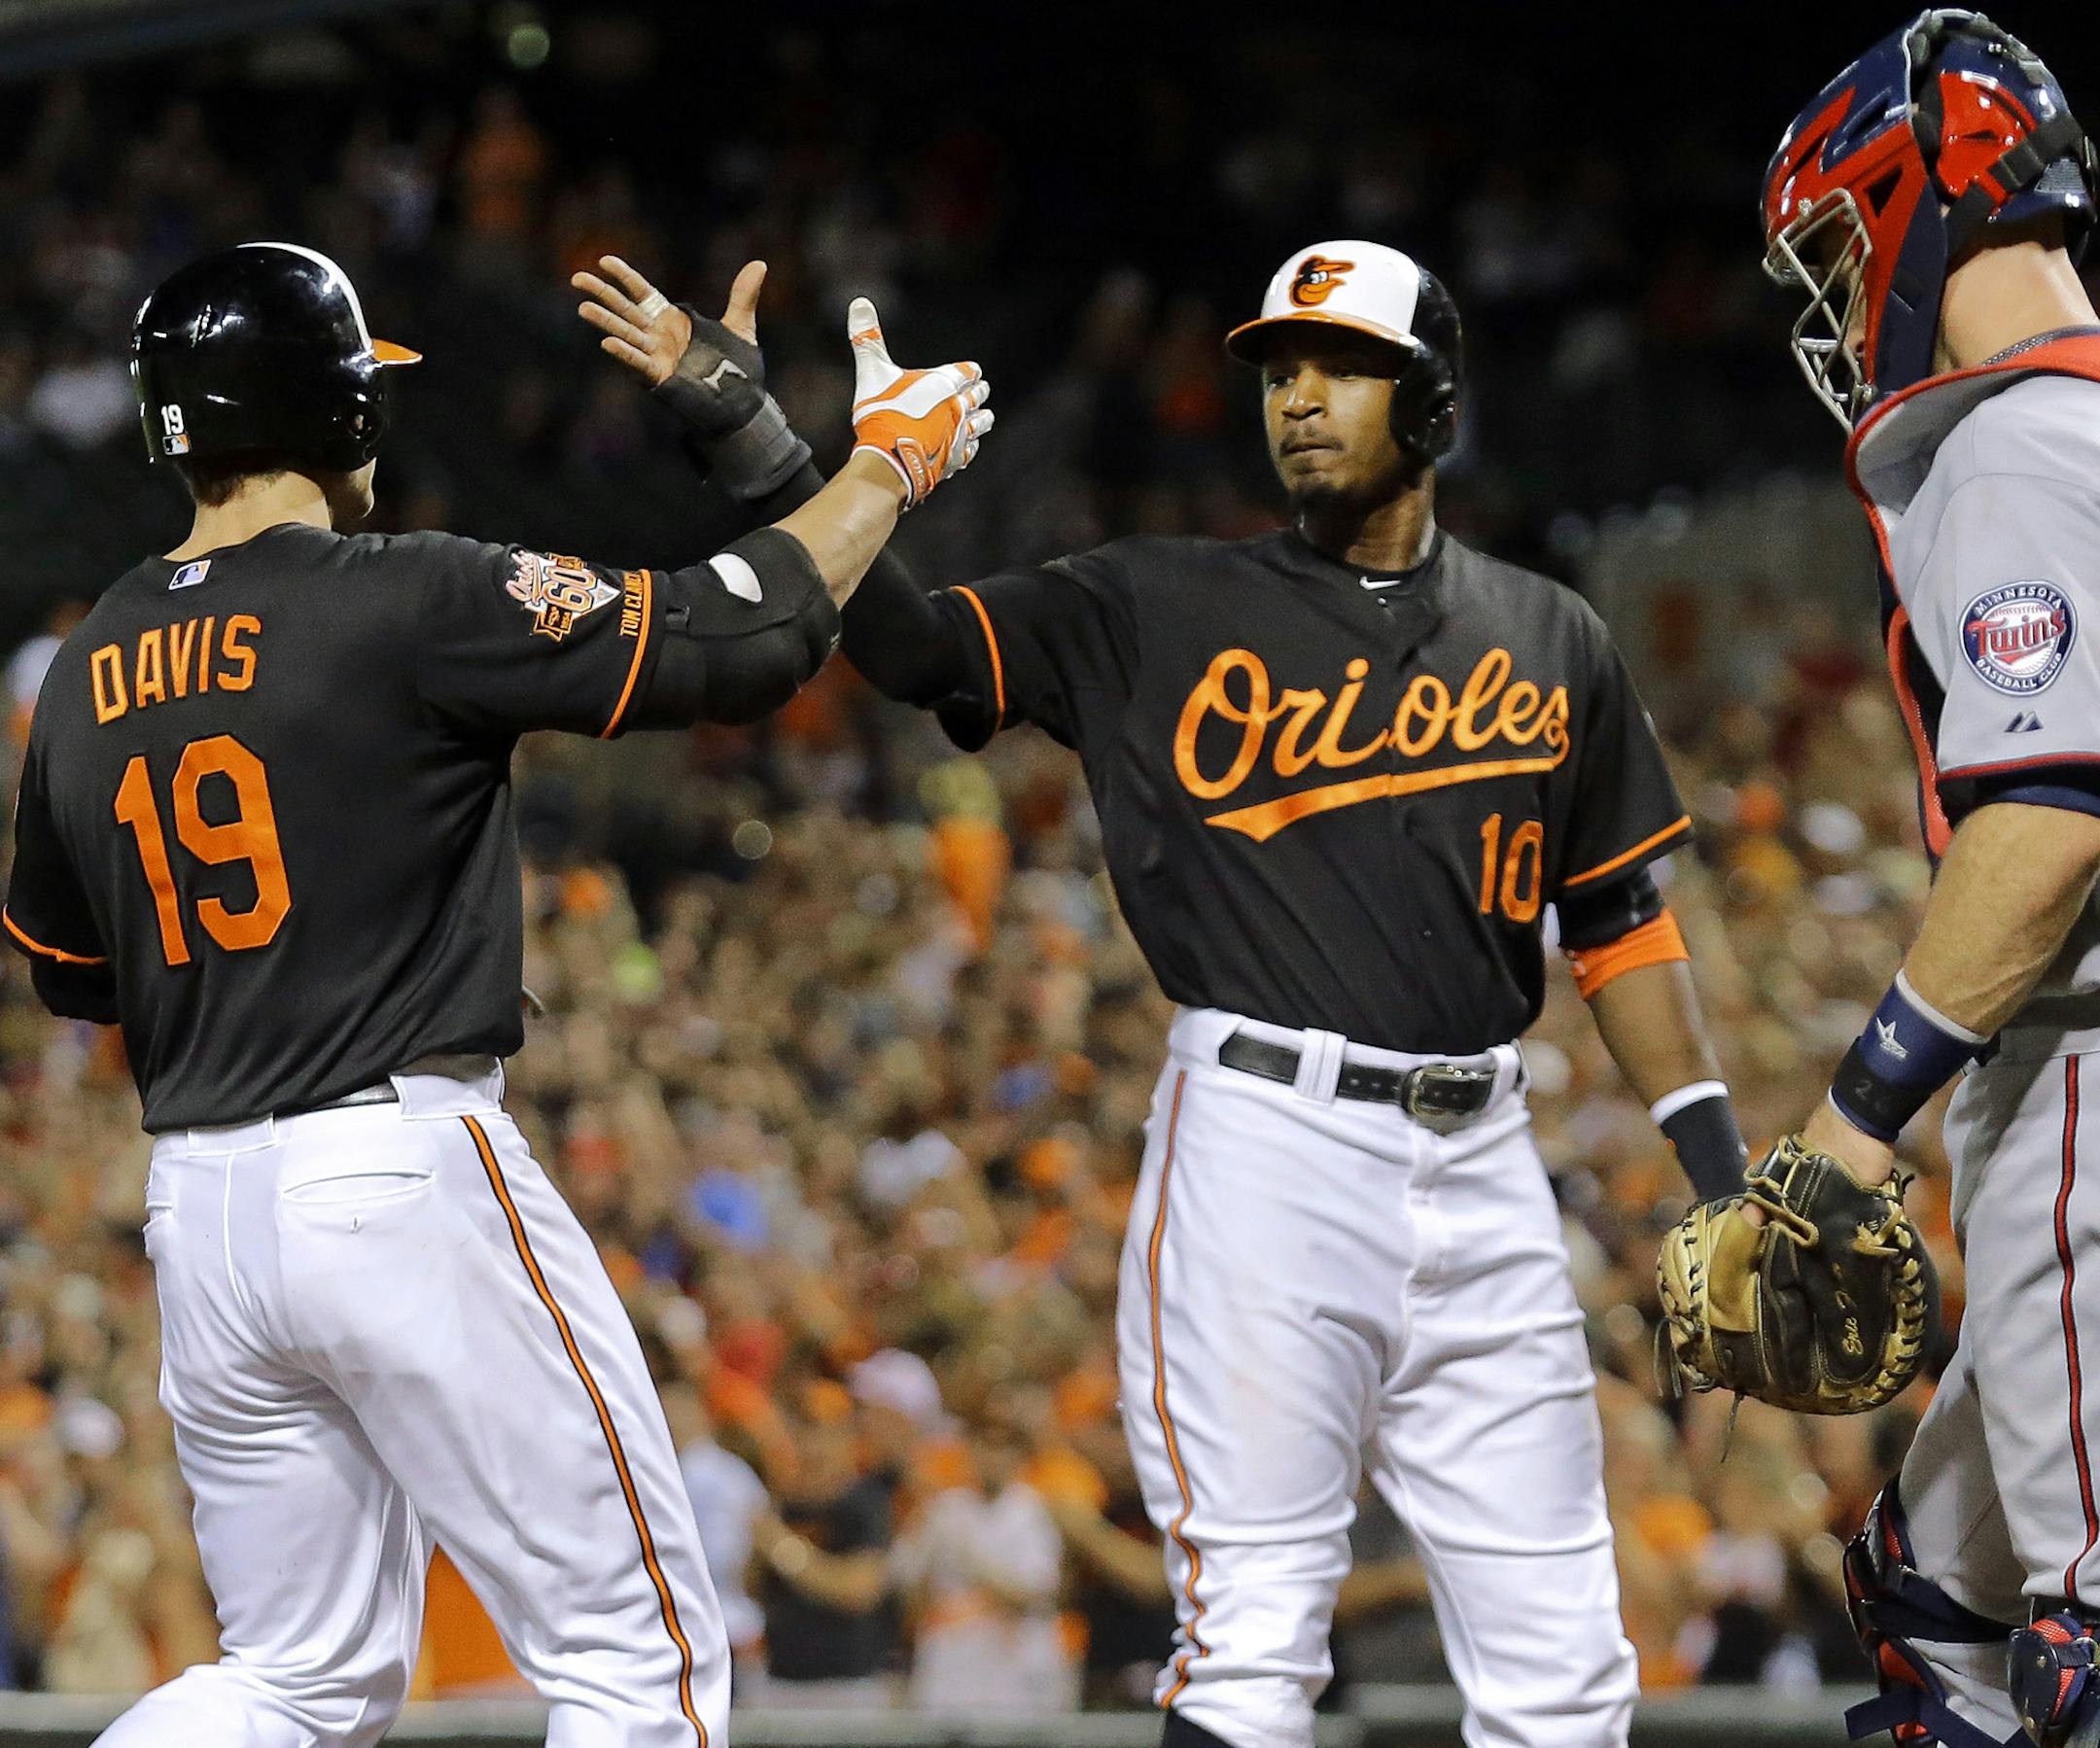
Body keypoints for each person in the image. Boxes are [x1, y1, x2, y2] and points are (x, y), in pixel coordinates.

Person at [580, 240, 1753, 1748]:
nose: (1301, 402)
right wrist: (772, 449)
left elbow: (1618, 921)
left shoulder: (1551, 633)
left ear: (1436, 399)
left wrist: (1721, 1171)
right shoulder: (1152, 603)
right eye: (1281, 372)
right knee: (1254, 1642)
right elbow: (917, 645)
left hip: (1490, 1163)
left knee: (1568, 1667)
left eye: (1343, 369)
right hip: (1269, 1146)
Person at [1, 239, 991, 1748]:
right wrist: (889, 466)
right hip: (394, 1165)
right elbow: (747, 634)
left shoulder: (84, 667)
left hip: (200, 1207)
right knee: (636, 1656)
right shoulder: (402, 596)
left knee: (292, 1677)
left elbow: (74, 970)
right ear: (335, 415)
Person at [1757, 12, 2100, 1747]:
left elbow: (2048, 813)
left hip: (2088, 1084)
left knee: (2079, 1637)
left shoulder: (2019, 442)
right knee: (1934, 1604)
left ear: (1927, 202)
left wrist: (1851, 1119)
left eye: (1837, 243)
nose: (1832, 297)